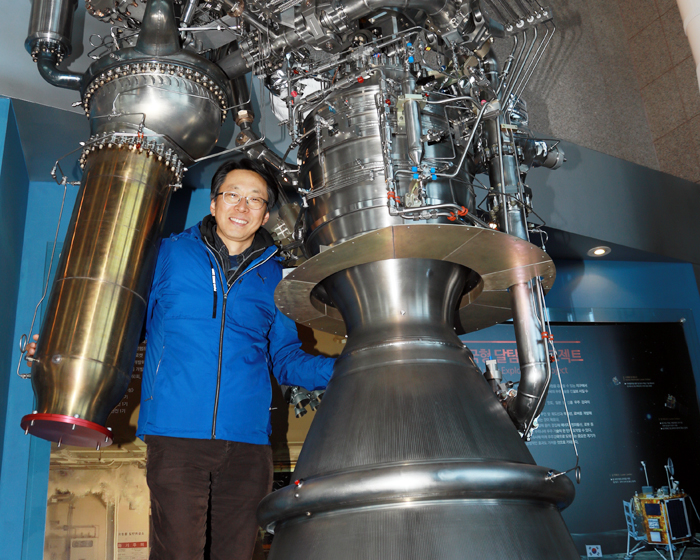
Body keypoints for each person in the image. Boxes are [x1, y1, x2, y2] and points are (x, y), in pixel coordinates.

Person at [27, 157, 335, 560]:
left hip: (248, 441)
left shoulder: (274, 275)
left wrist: (349, 367)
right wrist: (61, 344)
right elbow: (121, 323)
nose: (242, 207)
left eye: (255, 200)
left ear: (264, 214)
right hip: (176, 436)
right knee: (179, 553)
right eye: (233, 196)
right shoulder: (167, 255)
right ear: (213, 203)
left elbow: (287, 359)